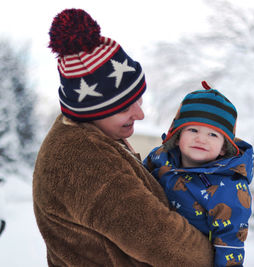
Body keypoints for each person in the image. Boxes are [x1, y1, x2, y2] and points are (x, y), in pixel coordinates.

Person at [32, 8, 213, 267]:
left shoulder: (89, 133)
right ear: (92, 110)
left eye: (138, 99)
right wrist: (217, 254)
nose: (139, 114)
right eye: (125, 107)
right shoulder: (84, 157)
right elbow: (162, 240)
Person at [143, 81, 254, 267]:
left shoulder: (229, 188)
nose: (201, 139)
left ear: (223, 148)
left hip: (190, 257)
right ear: (178, 136)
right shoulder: (160, 157)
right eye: (193, 130)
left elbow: (230, 243)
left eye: (213, 135)